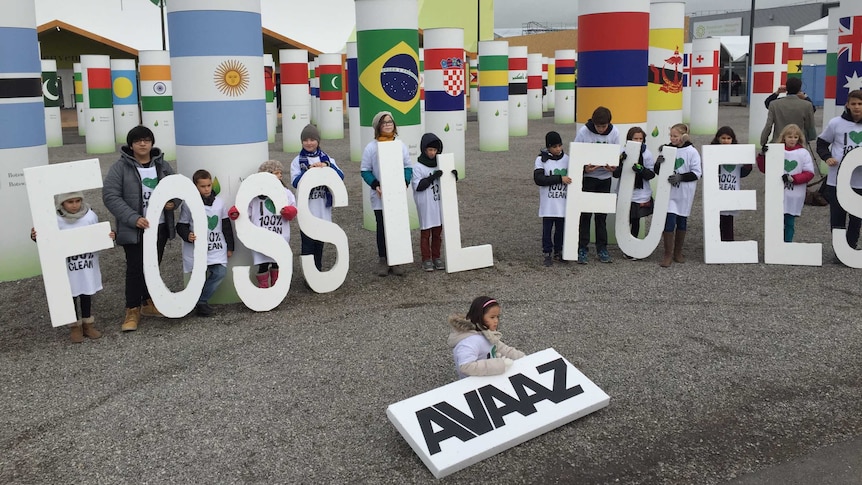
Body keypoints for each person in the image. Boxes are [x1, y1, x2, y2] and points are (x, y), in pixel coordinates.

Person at [103, 125, 178, 332]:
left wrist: (173, 202)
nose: (142, 144)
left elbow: (176, 188)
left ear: (152, 143)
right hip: (135, 229)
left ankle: (147, 302)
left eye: (146, 140)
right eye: (138, 141)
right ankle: (132, 309)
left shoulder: (162, 166)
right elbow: (110, 196)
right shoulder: (120, 167)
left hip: (160, 226)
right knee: (135, 268)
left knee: (154, 265)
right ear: (131, 145)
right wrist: (133, 218)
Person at [30, 192, 114, 342]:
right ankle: (74, 326)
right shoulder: (55, 220)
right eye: (70, 202)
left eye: (77, 201)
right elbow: (47, 241)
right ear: (62, 203)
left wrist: (109, 236)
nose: (75, 205)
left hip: (86, 263)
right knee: (71, 293)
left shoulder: (90, 216)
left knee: (86, 292)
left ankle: (88, 324)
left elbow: (97, 234)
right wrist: (37, 236)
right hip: (67, 266)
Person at [360, 111, 413, 276]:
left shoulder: (400, 144)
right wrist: (376, 185)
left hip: (396, 195)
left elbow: (408, 166)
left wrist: (404, 182)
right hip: (380, 196)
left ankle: (396, 260)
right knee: (382, 228)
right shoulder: (371, 147)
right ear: (378, 126)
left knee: (397, 226)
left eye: (390, 122)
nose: (388, 125)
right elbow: (365, 170)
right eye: (384, 123)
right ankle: (383, 259)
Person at [176, 170, 235, 317]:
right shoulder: (189, 204)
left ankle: (201, 300)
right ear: (196, 186)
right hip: (197, 248)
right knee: (199, 276)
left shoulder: (220, 202)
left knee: (220, 272)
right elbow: (181, 225)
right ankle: (197, 303)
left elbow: (226, 225)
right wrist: (187, 235)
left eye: (209, 185)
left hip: (216, 246)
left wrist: (230, 246)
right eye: (203, 186)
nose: (207, 189)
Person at [232, 160, 297, 288]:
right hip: (260, 236)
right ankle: (263, 288)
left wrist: (290, 211)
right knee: (262, 264)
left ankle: (276, 287)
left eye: (280, 173)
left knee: (277, 262)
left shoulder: (285, 193)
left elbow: (293, 207)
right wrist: (237, 212)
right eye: (275, 173)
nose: (279, 176)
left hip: (280, 234)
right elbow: (246, 211)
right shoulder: (255, 196)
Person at [290, 124, 344, 273]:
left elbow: (340, 176)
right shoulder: (297, 161)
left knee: (320, 242)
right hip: (306, 209)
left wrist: (326, 166)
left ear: (318, 141)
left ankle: (318, 270)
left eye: (312, 139)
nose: (309, 143)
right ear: (301, 142)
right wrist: (308, 171)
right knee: (307, 244)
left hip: (322, 209)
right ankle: (309, 274)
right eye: (305, 140)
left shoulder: (327, 158)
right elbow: (295, 182)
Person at [816, 89, 862, 255]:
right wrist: (827, 157)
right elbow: (821, 143)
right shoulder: (836, 123)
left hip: (859, 182)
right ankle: (839, 250)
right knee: (837, 217)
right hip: (837, 181)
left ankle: (850, 248)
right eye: (854, 104)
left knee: (857, 218)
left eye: (860, 104)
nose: (857, 107)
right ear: (847, 105)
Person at [574, 106, 619, 264]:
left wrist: (613, 167)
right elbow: (576, 155)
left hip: (604, 178)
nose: (601, 130)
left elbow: (616, 155)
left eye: (604, 126)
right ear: (593, 123)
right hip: (589, 178)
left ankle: (602, 248)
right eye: (598, 126)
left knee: (601, 216)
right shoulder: (583, 132)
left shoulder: (614, 133)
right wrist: (584, 168)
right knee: (585, 215)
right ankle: (582, 248)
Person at [757, 125, 815, 243]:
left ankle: (787, 243)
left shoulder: (803, 153)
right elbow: (764, 169)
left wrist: (793, 178)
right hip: (777, 191)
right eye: (789, 136)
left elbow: (809, 173)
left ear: (799, 138)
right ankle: (774, 244)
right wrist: (762, 156)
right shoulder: (776, 151)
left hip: (794, 193)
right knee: (775, 220)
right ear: (784, 137)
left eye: (795, 137)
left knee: (789, 222)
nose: (792, 139)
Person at [656, 123, 702, 267]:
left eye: (675, 136)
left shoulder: (691, 152)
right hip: (670, 193)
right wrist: (658, 163)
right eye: (671, 135)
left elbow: (697, 173)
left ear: (683, 136)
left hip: (684, 193)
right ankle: (667, 254)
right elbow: (658, 171)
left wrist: (681, 177)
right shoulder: (667, 150)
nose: (672, 138)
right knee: (669, 221)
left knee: (681, 222)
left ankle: (678, 252)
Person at [447, 296, 526, 380]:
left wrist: (524, 358)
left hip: (489, 377)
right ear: (479, 317)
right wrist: (500, 365)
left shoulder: (486, 334)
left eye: (497, 317)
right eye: (492, 317)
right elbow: (465, 366)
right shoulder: (469, 342)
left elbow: (503, 349)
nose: (496, 321)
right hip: (476, 384)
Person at [412, 132, 456, 271]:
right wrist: (432, 177)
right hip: (426, 205)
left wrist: (453, 176)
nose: (432, 153)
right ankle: (426, 259)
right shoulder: (418, 167)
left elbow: (448, 185)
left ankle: (436, 257)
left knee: (437, 233)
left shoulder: (441, 164)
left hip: (438, 203)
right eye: (430, 150)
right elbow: (418, 186)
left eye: (434, 150)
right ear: (424, 150)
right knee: (426, 234)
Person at [613, 126, 655, 259]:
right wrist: (621, 161)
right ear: (629, 139)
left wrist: (641, 170)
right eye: (635, 138)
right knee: (625, 219)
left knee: (636, 219)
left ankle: (632, 248)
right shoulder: (623, 152)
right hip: (625, 192)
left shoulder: (647, 154)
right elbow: (615, 174)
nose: (638, 141)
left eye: (640, 139)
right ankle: (625, 245)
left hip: (640, 193)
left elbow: (651, 174)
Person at [533, 131, 572, 266]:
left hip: (562, 202)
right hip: (548, 203)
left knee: (560, 230)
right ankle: (547, 252)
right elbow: (539, 179)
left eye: (560, 146)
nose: (558, 149)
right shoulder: (541, 160)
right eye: (555, 146)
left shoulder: (567, 159)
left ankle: (559, 251)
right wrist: (559, 179)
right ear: (548, 147)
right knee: (547, 230)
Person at [712, 126, 752, 241]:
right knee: (716, 218)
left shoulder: (737, 154)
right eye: (723, 138)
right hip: (718, 190)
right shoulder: (712, 153)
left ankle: (728, 241)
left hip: (732, 189)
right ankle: (716, 242)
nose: (725, 141)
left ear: (732, 139)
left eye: (728, 138)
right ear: (718, 139)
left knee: (728, 219)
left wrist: (747, 162)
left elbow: (743, 172)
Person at [760, 77, 816, 148]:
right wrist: (806, 97)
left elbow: (768, 125)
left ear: (786, 88)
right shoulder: (807, 105)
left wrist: (763, 142)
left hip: (778, 143)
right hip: (798, 143)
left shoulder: (774, 104)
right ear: (799, 89)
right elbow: (810, 125)